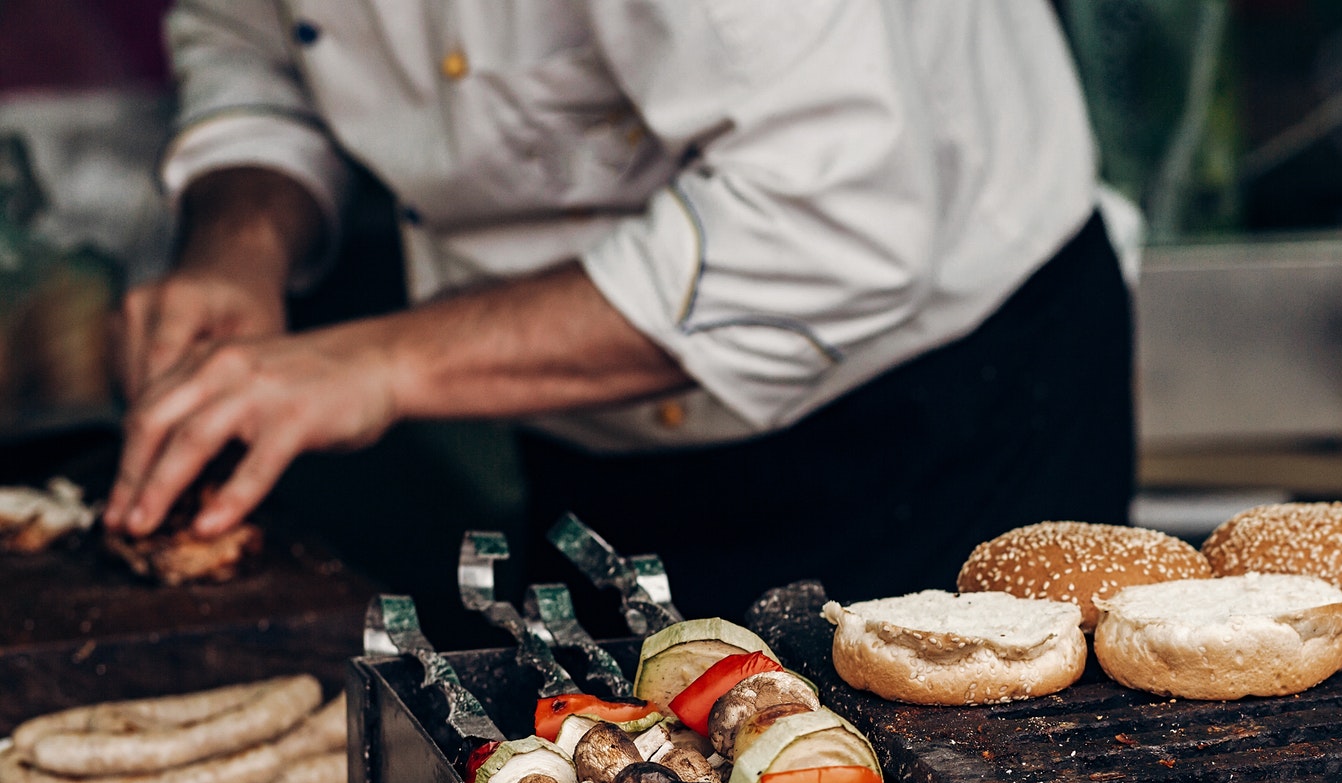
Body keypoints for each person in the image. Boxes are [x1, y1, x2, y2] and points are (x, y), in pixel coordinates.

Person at [106, 3, 1135, 617]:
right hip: (592, 439)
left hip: (932, 415)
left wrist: (382, 367)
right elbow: (252, 41)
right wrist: (240, 239)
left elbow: (824, 220)